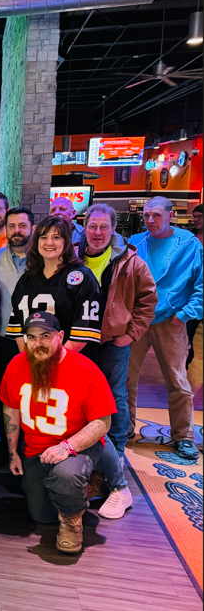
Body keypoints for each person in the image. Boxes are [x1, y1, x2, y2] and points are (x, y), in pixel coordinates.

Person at [0, 312, 116, 554]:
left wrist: (67, 447)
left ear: (60, 337)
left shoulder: (86, 370)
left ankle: (72, 522)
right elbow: (10, 407)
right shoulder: (17, 364)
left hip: (75, 446)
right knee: (42, 515)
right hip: (36, 450)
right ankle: (88, 485)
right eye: (31, 337)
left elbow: (102, 422)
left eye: (45, 336)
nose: (37, 343)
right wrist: (12, 452)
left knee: (65, 476)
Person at [77, 203, 156, 518]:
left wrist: (132, 333)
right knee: (83, 398)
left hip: (113, 341)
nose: (97, 233)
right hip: (81, 341)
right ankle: (89, 452)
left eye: (103, 227)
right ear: (84, 226)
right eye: (92, 226)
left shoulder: (131, 261)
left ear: (113, 230)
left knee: (115, 397)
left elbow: (148, 299)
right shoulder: (73, 256)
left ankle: (116, 453)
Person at [126, 197, 202, 460]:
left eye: (156, 215)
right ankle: (124, 429)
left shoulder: (188, 244)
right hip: (136, 320)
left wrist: (184, 315)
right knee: (125, 379)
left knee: (177, 381)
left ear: (170, 215)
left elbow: (200, 285)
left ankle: (184, 436)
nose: (150, 220)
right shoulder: (135, 242)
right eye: (146, 215)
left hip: (171, 320)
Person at [8, 216, 102, 359]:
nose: (49, 242)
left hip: (71, 362)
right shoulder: (26, 279)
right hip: (35, 362)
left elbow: (82, 334)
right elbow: (19, 329)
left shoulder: (82, 277)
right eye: (43, 237)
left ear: (66, 241)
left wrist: (54, 361)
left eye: (56, 237)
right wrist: (30, 360)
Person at [0, 207, 34, 466]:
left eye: (22, 226)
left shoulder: (43, 259)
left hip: (36, 342)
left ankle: (32, 452)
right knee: (6, 397)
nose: (17, 231)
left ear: (32, 228)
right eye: (12, 226)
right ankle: (7, 454)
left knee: (33, 397)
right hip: (3, 340)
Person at [186, 203, 203, 369]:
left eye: (200, 216)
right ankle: (184, 364)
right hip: (192, 295)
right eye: (194, 217)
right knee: (187, 334)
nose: (196, 220)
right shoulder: (190, 239)